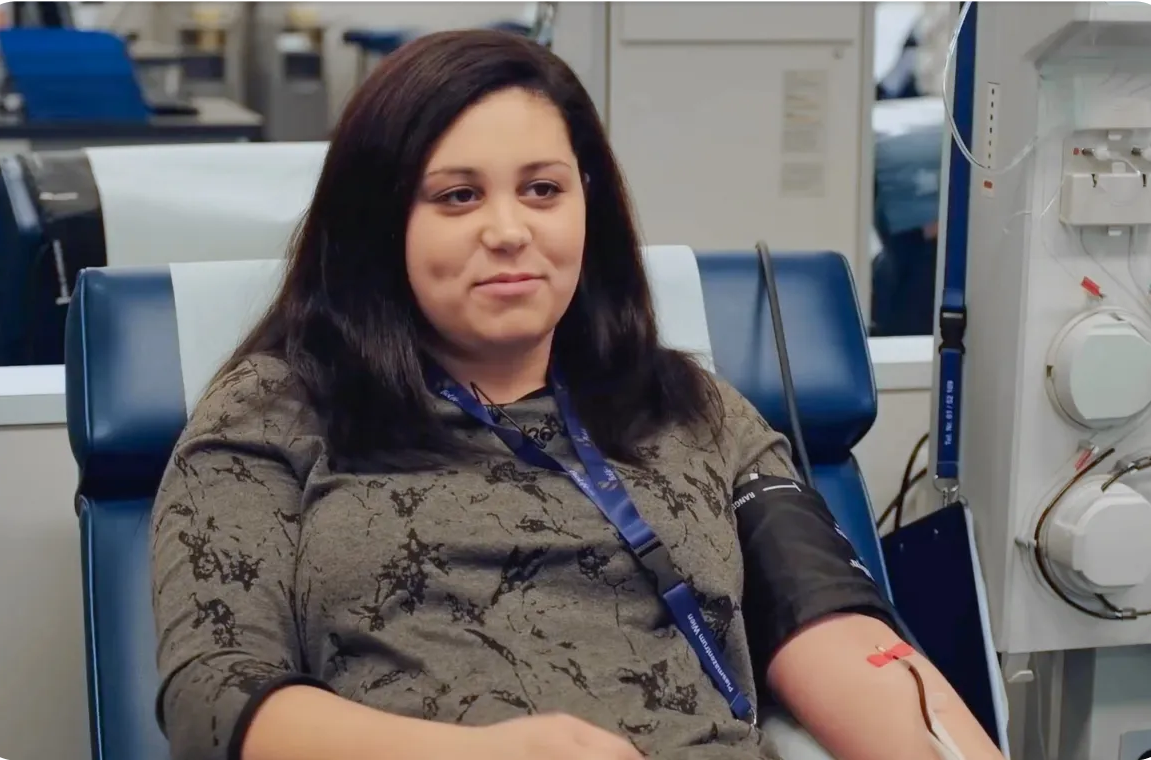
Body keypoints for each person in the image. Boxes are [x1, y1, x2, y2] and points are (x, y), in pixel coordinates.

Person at [150, 29, 1006, 760]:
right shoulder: (276, 412)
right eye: (457, 196)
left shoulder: (687, 407)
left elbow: (832, 628)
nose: (509, 229)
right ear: (380, 222)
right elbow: (217, 700)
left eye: (542, 189)